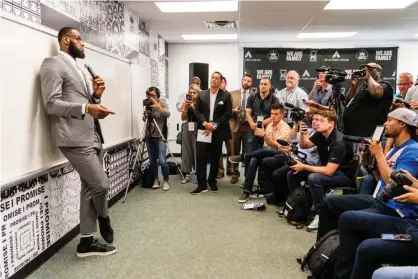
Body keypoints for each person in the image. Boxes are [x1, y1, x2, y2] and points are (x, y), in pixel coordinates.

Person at [313, 108, 418, 279]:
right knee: (329, 203)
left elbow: (395, 183)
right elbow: (381, 180)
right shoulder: (396, 148)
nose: (385, 124)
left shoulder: (412, 151)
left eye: (390, 120)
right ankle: (324, 257)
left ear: (402, 123)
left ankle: (341, 274)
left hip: (396, 210)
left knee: (349, 219)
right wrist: (371, 165)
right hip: (380, 200)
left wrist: (378, 156)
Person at [40, 27, 116, 257]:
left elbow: (85, 103)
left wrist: (96, 96)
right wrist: (86, 107)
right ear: (66, 40)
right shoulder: (52, 64)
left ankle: (85, 242)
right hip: (73, 137)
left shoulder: (78, 68)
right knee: (100, 184)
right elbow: (51, 104)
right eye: (79, 39)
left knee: (88, 187)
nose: (83, 44)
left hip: (91, 134)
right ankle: (104, 217)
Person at [287, 110, 356, 231]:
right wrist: (303, 134)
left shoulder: (338, 142)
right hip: (328, 169)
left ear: (331, 124)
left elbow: (329, 171)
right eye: (315, 120)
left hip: (343, 174)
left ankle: (321, 214)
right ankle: (299, 206)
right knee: (293, 173)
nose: (316, 123)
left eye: (321, 121)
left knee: (314, 178)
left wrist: (304, 166)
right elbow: (305, 145)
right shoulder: (320, 134)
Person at [230, 103, 291, 203]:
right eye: (272, 113)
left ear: (282, 115)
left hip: (282, 155)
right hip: (268, 152)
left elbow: (277, 147)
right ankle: (246, 191)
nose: (273, 116)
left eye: (276, 114)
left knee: (268, 150)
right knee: (254, 159)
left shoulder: (286, 128)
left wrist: (264, 136)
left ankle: (244, 156)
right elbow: (265, 146)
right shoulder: (269, 126)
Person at [258, 114, 321, 204]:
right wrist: (295, 125)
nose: (314, 121)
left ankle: (286, 199)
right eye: (314, 119)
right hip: (293, 156)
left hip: (305, 162)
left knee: (277, 173)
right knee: (266, 161)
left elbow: (307, 147)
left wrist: (304, 134)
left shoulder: (319, 136)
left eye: (318, 120)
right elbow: (292, 138)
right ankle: (274, 194)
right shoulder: (310, 131)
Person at [191, 71, 232, 195]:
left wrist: (213, 125)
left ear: (220, 81)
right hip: (203, 130)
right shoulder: (202, 94)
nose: (214, 80)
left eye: (217, 78)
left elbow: (227, 114)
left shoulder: (226, 96)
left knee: (215, 157)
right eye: (213, 78)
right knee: (201, 157)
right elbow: (196, 111)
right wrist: (205, 124)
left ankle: (212, 181)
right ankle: (201, 184)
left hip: (217, 131)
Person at [343, 62, 394, 137]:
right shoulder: (363, 87)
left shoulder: (384, 85)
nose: (366, 71)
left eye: (370, 70)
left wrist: (369, 77)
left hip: (369, 134)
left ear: (378, 72)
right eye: (364, 70)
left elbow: (376, 93)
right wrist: (354, 86)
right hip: (352, 133)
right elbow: (349, 101)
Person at [144, 87, 171, 191]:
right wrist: (145, 115)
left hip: (160, 136)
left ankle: (166, 181)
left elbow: (167, 114)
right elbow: (145, 118)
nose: (151, 98)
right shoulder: (147, 105)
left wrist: (158, 106)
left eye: (153, 95)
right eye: (149, 95)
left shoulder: (163, 103)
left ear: (158, 95)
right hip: (149, 135)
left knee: (163, 160)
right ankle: (156, 179)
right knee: (152, 161)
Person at [229, 73, 253, 184]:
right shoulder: (232, 94)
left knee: (248, 153)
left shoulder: (254, 95)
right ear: (241, 81)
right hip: (236, 127)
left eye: (249, 81)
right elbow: (226, 110)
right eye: (245, 80)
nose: (246, 82)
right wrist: (233, 110)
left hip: (248, 128)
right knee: (234, 151)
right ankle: (234, 173)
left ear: (251, 83)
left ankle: (247, 176)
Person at [245, 77, 280, 154]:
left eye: (265, 84)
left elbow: (273, 117)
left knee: (265, 153)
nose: (262, 86)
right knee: (250, 153)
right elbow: (247, 113)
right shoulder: (252, 97)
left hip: (268, 129)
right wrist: (251, 124)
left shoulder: (274, 99)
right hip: (253, 129)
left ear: (269, 86)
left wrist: (259, 124)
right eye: (261, 84)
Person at [180, 84, 200, 184]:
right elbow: (183, 118)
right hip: (187, 126)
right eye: (190, 93)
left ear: (198, 93)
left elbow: (201, 116)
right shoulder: (186, 103)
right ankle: (186, 174)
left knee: (197, 151)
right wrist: (185, 108)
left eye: (194, 93)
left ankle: (199, 174)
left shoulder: (201, 103)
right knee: (186, 151)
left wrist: (193, 107)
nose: (192, 94)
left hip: (198, 127)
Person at [217, 76, 233, 179]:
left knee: (230, 149)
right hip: (217, 126)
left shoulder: (229, 95)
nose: (220, 84)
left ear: (225, 83)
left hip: (228, 125)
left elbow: (229, 112)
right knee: (218, 150)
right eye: (220, 82)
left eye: (222, 82)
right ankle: (220, 170)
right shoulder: (215, 95)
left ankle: (230, 169)